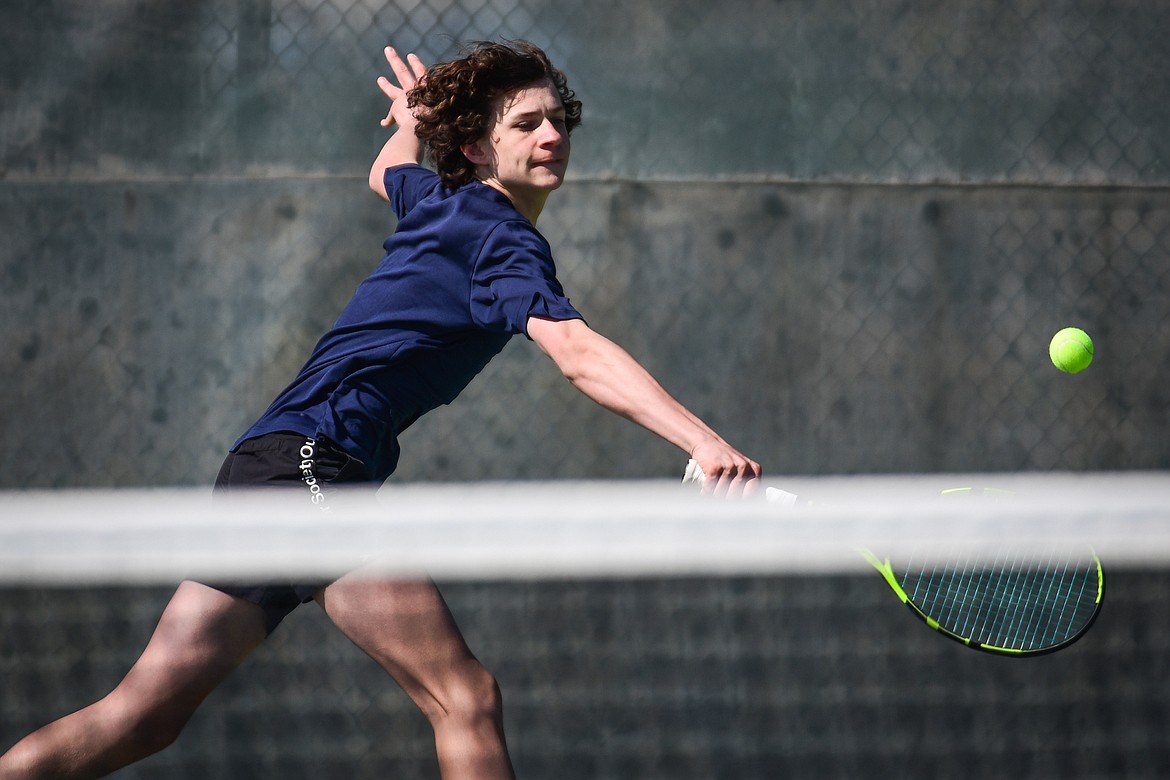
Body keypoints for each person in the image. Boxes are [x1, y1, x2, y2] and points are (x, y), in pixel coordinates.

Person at [0, 40, 760, 779]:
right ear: (474, 147)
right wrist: (702, 442)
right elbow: (577, 352)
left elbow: (387, 173)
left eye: (558, 119)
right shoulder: (498, 238)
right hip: (312, 467)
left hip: (266, 466)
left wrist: (407, 122)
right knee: (465, 697)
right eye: (526, 124)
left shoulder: (442, 204)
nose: (554, 136)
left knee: (143, 719)